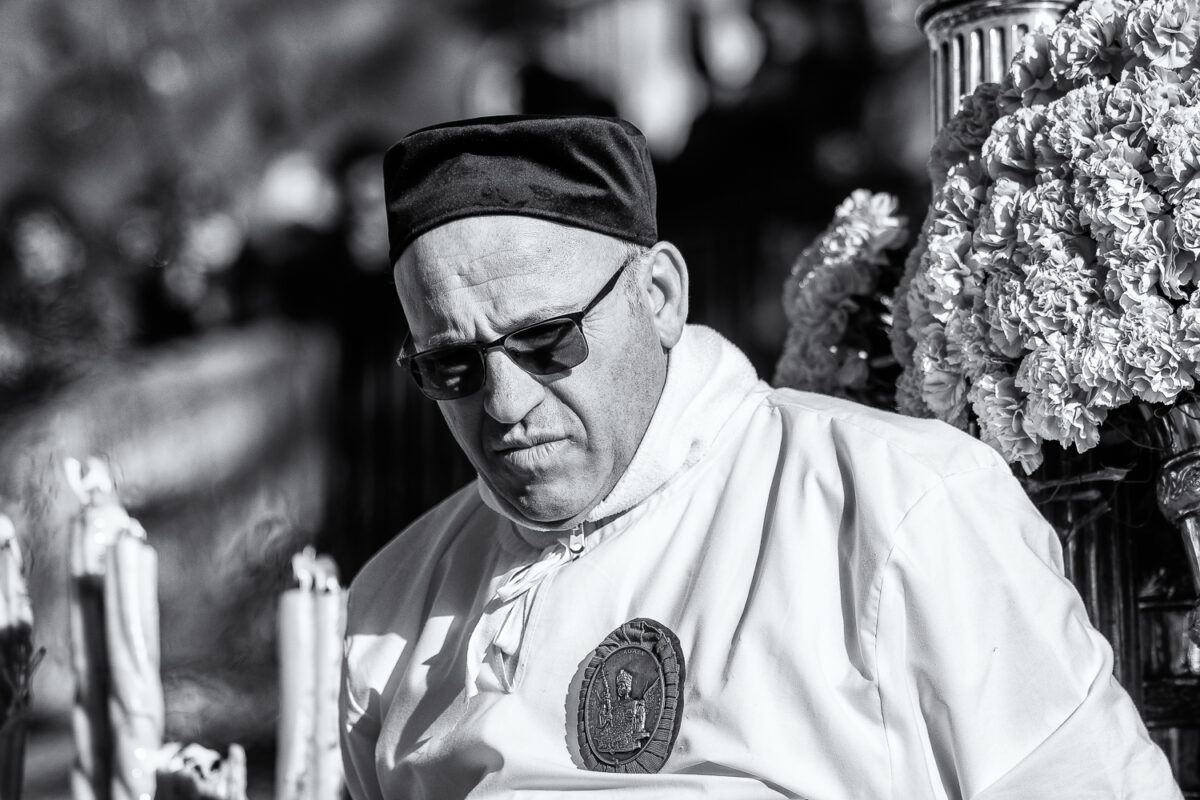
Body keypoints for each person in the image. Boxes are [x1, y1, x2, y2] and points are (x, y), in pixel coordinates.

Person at [339, 115, 1181, 799]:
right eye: (451, 366)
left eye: (547, 341)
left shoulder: (900, 508)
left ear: (659, 296)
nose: (506, 405)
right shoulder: (391, 603)